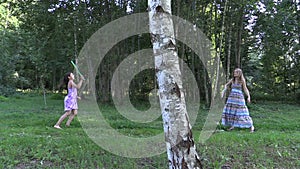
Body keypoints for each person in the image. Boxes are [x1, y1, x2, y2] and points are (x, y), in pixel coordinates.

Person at [221, 68, 255, 133]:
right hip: (232, 98)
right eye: (234, 72)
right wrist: (223, 92)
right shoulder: (232, 80)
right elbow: (226, 85)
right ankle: (233, 126)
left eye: (236, 72)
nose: (234, 73)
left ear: (239, 73)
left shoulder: (242, 81)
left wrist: (248, 97)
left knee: (242, 112)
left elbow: (245, 89)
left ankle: (251, 126)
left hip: (239, 98)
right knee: (232, 112)